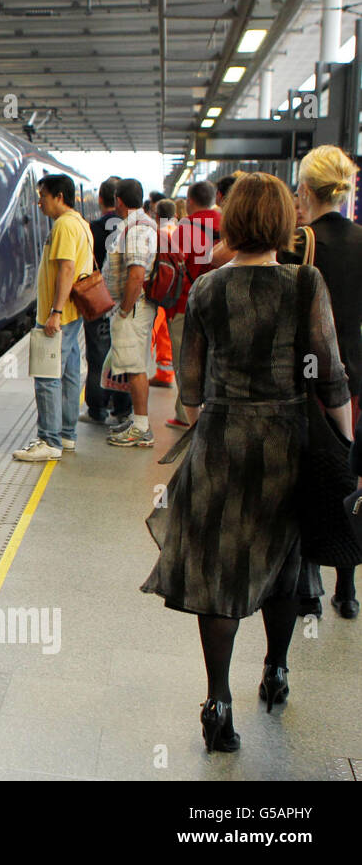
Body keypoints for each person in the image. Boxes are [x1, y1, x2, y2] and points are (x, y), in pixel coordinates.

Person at [141, 172, 353, 753]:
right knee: (285, 562)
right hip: (288, 444)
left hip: (221, 443)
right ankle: (277, 671)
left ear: (233, 222)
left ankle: (219, 701)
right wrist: (345, 446)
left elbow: (189, 390)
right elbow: (330, 375)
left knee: (222, 572)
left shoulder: (208, 289)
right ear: (285, 223)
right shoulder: (304, 283)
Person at [281, 145, 362, 620]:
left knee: (310, 476)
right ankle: (348, 589)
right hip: (357, 379)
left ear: (306, 191)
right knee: (350, 475)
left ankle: (308, 582)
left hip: (310, 378)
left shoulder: (300, 242)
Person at [13, 174, 94, 462]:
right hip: (72, 314)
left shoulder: (64, 226)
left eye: (43, 196)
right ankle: (67, 435)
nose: (39, 203)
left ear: (59, 196)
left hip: (59, 314)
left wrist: (54, 313)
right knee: (70, 374)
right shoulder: (81, 224)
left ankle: (49, 440)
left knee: (47, 376)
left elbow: (67, 269)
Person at [161, 181, 221, 430]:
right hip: (219, 305)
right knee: (211, 357)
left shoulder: (185, 229)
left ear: (190, 201)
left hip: (187, 305)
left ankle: (186, 414)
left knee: (186, 359)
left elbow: (173, 269)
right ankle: (208, 407)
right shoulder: (227, 224)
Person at [104, 178, 158, 447]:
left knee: (136, 367)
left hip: (134, 308)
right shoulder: (140, 224)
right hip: (136, 308)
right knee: (136, 365)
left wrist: (124, 309)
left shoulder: (136, 229)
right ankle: (138, 419)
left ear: (119, 201)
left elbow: (136, 274)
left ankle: (141, 428)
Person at [81, 177, 132, 426]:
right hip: (126, 302)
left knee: (97, 356)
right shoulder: (131, 226)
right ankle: (122, 409)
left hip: (99, 300)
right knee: (123, 355)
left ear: (100, 199)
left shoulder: (94, 228)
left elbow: (86, 265)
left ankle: (97, 410)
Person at [149, 199, 179, 388]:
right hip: (174, 294)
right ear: (175, 216)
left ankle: (132, 380)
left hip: (159, 293)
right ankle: (165, 374)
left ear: (156, 216)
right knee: (164, 334)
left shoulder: (157, 235)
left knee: (149, 334)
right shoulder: (177, 233)